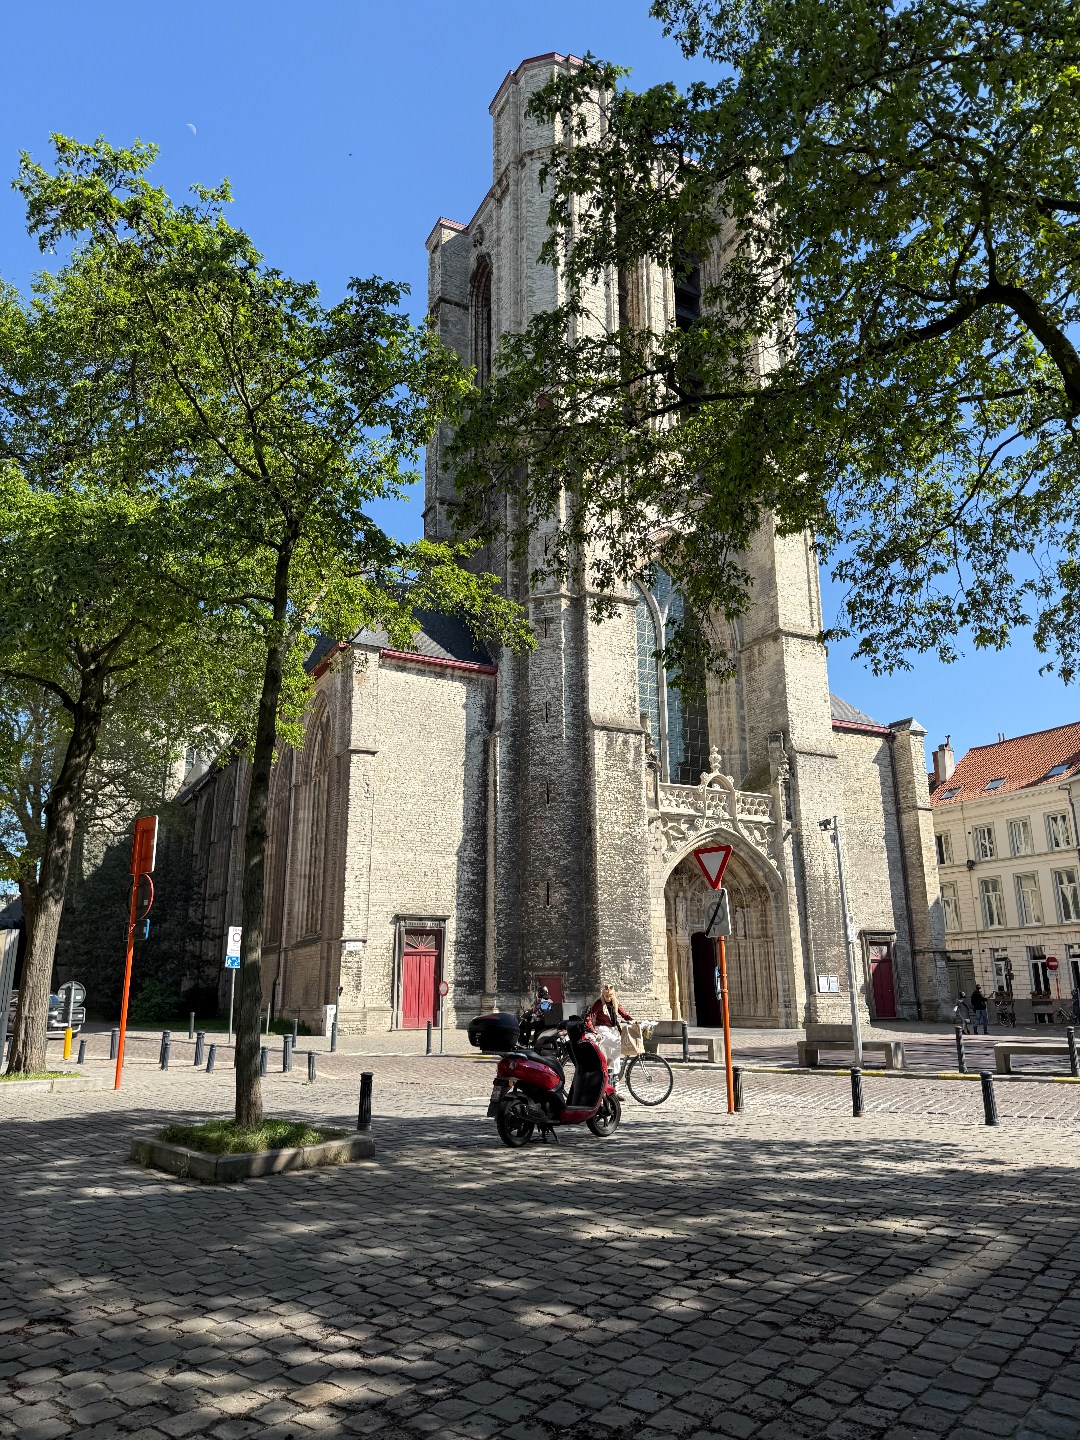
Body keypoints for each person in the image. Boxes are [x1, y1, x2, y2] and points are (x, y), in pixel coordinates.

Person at [587, 985, 633, 1079]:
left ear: (613, 994)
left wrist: (633, 1020)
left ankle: (613, 1082)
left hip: (613, 1030)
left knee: (615, 1058)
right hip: (602, 1030)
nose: (608, 998)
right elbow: (588, 1018)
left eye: (610, 995)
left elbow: (624, 1014)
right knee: (620, 1044)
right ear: (603, 995)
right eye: (606, 996)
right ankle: (606, 1065)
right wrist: (594, 1032)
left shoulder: (615, 1003)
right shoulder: (599, 1003)